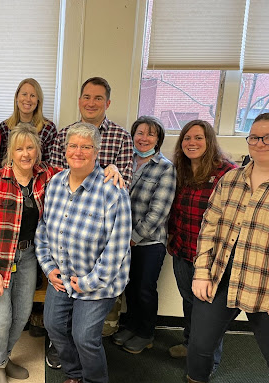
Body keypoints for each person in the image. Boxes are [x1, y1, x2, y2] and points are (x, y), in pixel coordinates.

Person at [46, 76, 134, 367]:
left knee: (85, 336)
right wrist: (49, 268)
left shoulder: (115, 187)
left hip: (97, 277)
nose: (78, 151)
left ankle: (93, 375)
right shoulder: (56, 181)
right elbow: (43, 229)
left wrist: (91, 281)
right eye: (74, 146)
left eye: (86, 147)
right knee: (55, 326)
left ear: (98, 152)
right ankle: (73, 370)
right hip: (62, 270)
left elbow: (117, 245)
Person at [0, 123, 59, 383]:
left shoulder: (47, 176)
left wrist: (110, 170)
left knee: (22, 315)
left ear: (38, 150)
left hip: (29, 256)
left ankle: (5, 357)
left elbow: (80, 171)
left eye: (30, 147)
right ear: (11, 151)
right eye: (19, 148)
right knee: (1, 318)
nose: (25, 153)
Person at [186, 113, 269, 383]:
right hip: (221, 275)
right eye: (255, 137)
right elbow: (209, 227)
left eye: (267, 137)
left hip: (263, 283)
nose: (260, 143)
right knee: (199, 347)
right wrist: (201, 273)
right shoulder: (231, 179)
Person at [166, 120, 237, 366]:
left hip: (212, 258)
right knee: (190, 302)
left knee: (209, 313)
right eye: (187, 138)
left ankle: (207, 361)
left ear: (209, 141)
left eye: (198, 138)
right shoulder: (181, 170)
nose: (191, 143)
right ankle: (190, 344)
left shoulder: (227, 173)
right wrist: (171, 235)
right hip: (183, 251)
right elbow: (175, 209)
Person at [112, 116, 176, 354]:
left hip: (149, 241)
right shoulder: (125, 161)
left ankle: (146, 332)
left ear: (158, 139)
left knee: (144, 289)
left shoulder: (165, 168)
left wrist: (133, 238)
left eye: (150, 134)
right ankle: (131, 326)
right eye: (140, 133)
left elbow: (159, 212)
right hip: (121, 240)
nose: (144, 138)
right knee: (129, 287)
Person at [0, 78, 57, 163]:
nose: (28, 99)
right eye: (24, 94)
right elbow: (0, 161)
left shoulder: (48, 129)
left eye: (33, 95)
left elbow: (50, 163)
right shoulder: (4, 128)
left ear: (38, 100)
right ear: (16, 97)